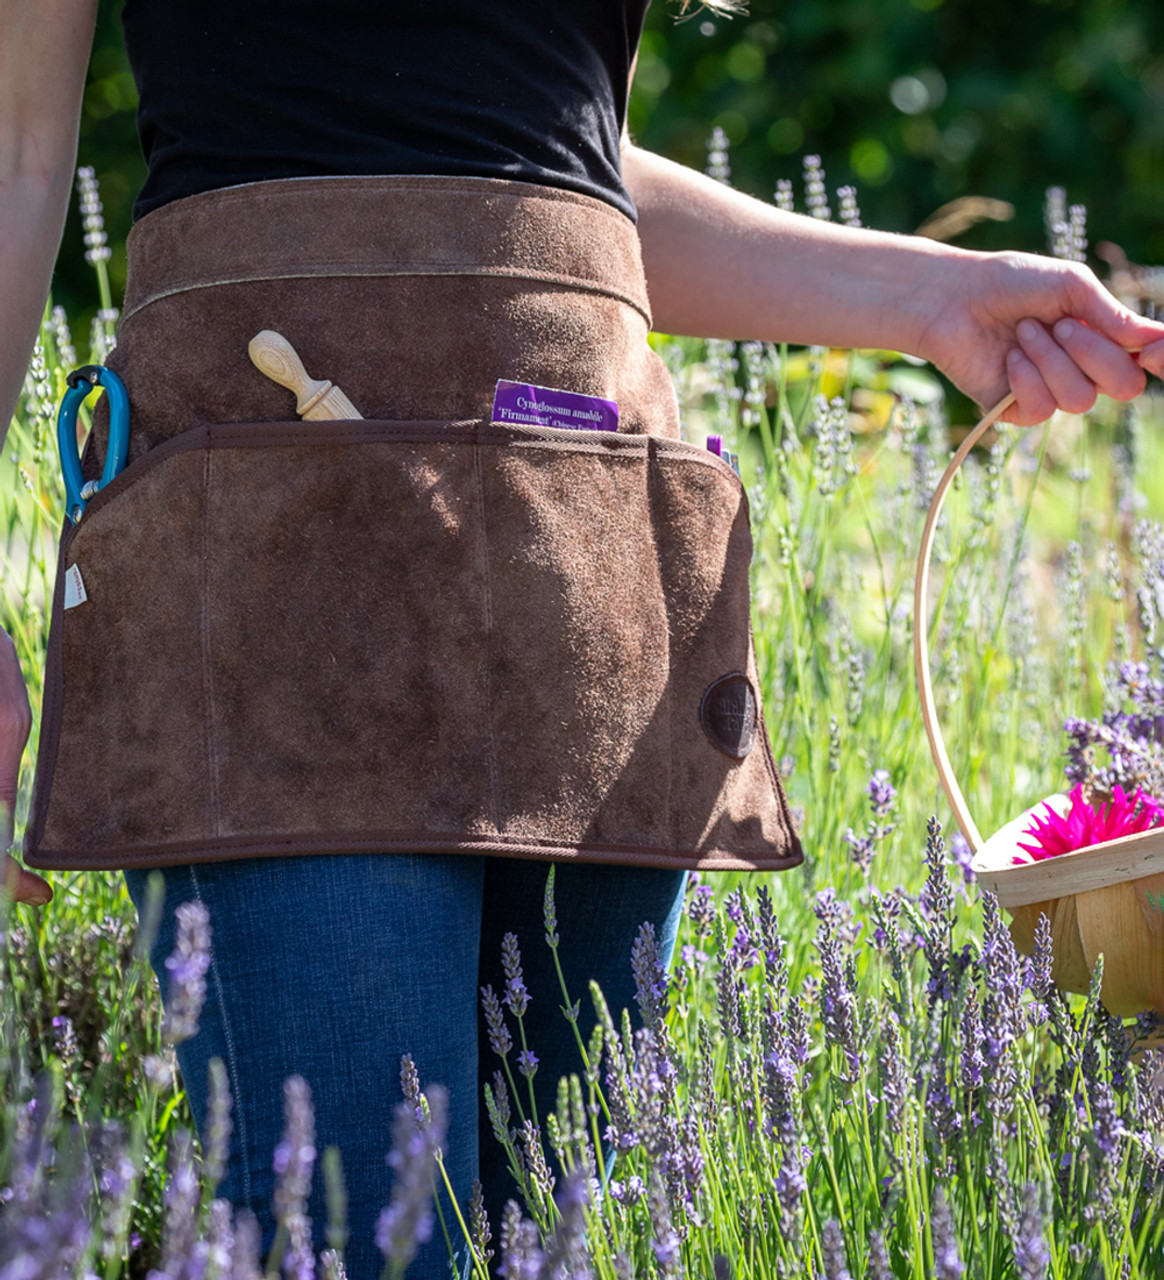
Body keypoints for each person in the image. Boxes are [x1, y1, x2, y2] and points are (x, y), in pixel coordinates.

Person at [3, 2, 1164, 1277]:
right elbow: (17, 141)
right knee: (354, 1239)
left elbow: (546, 150)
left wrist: (938, 295)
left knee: (543, 1245)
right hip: (270, 572)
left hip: (589, 567)